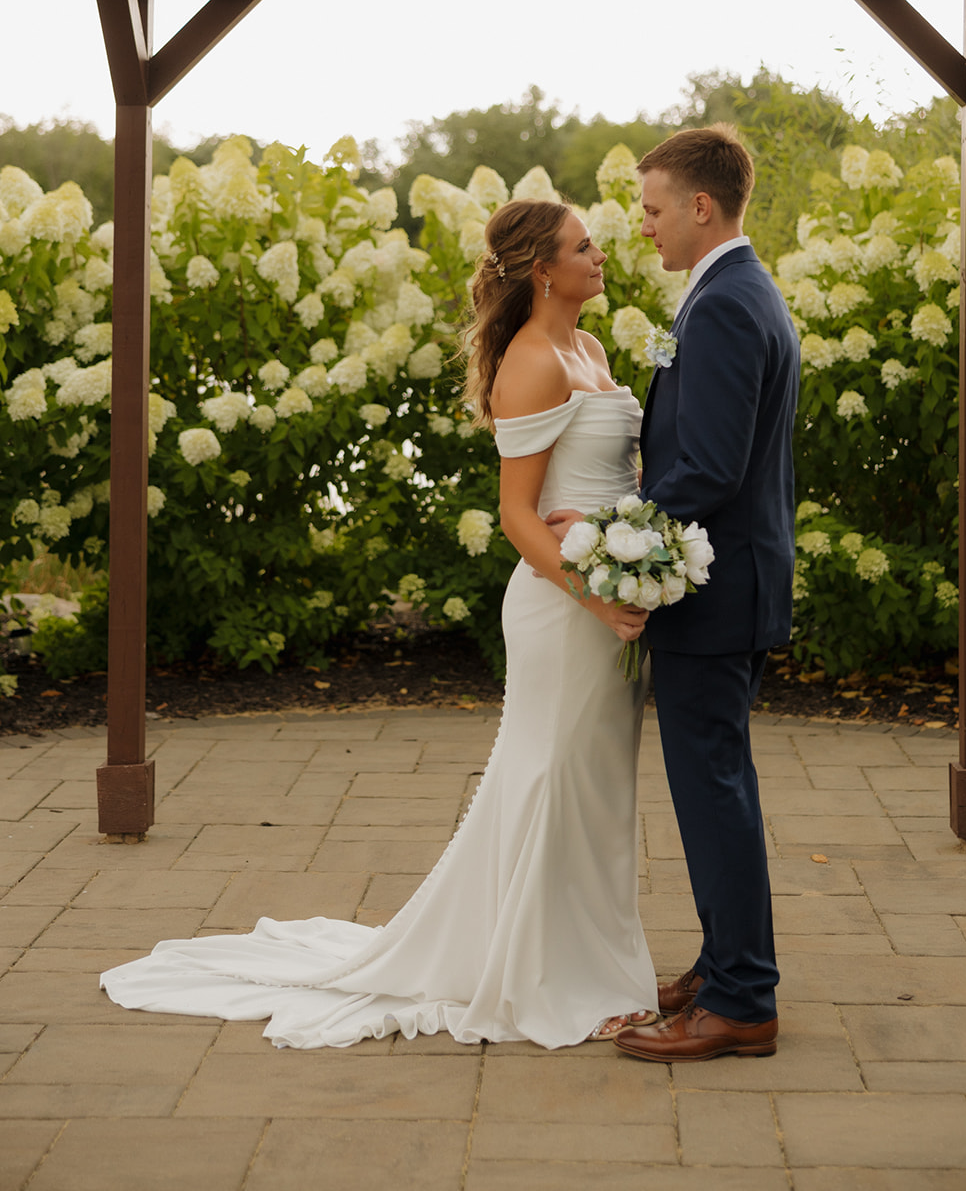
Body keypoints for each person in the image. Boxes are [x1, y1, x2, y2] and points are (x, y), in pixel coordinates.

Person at [101, 197, 659, 1049]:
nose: (600, 254)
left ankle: (590, 961)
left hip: (606, 587)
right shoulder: (534, 360)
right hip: (562, 605)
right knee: (548, 779)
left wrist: (636, 541)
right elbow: (515, 514)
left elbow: (614, 467)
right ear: (543, 269)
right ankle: (539, 972)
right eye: (584, 246)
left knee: (595, 787)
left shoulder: (590, 346)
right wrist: (593, 592)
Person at [547, 125, 799, 1063]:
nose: (642, 227)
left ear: (700, 206)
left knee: (713, 792)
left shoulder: (728, 305)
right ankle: (723, 964)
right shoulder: (730, 292)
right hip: (727, 582)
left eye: (652, 209)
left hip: (715, 591)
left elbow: (711, 469)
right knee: (713, 787)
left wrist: (606, 532)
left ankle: (740, 1001)